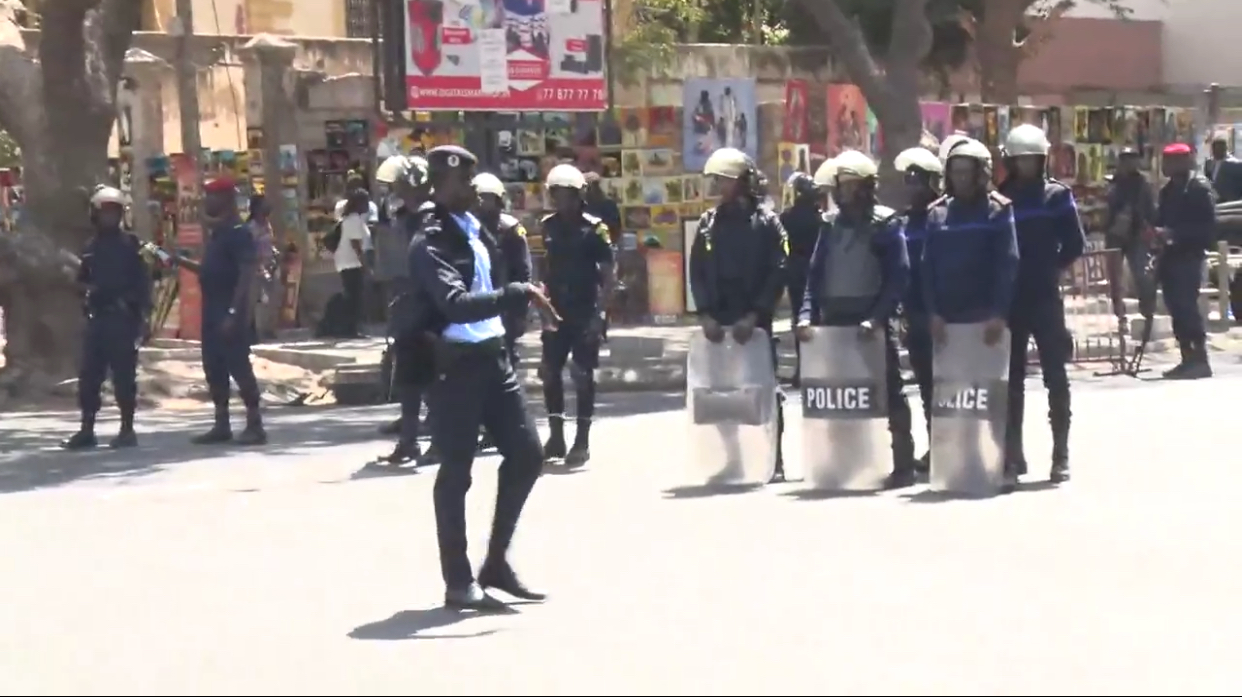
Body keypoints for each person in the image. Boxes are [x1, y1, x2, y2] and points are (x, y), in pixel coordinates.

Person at [407, 145, 558, 611]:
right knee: (457, 472)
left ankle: (496, 563)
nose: (473, 189)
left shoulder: (477, 231)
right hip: (453, 365)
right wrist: (517, 295)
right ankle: (458, 580)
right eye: (463, 182)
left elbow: (489, 288)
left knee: (528, 455)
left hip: (493, 358)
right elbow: (454, 303)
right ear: (440, 185)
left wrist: (515, 307)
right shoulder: (429, 243)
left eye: (473, 180)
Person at [794, 150, 917, 489]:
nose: (844, 193)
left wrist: (878, 318)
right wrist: (806, 315)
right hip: (834, 323)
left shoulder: (886, 223)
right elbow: (815, 276)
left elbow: (899, 277)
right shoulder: (830, 225)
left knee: (889, 392)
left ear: (866, 187)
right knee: (840, 397)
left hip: (871, 325)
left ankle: (903, 464)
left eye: (851, 186)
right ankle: (842, 463)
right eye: (841, 186)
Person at [920, 138, 1020, 487]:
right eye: (955, 171)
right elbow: (926, 268)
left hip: (984, 319)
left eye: (967, 172)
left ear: (981, 174)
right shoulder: (937, 213)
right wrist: (932, 312)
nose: (961, 178)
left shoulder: (998, 210)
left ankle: (1003, 463)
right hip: (948, 321)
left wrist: (998, 313)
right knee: (955, 394)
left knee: (990, 395)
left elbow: (1007, 264)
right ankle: (958, 463)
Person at [688, 147, 789, 482]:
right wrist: (704, 313)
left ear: (744, 182)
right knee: (720, 395)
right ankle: (734, 458)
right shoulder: (708, 223)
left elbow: (779, 270)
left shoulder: (768, 223)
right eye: (718, 179)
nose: (720, 185)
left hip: (754, 322)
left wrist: (757, 313)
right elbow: (697, 271)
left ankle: (773, 460)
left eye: (727, 179)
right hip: (718, 320)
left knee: (763, 391)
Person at [999, 124, 1086, 485]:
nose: (1026, 166)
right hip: (1010, 299)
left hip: (1045, 297)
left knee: (1056, 377)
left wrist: (1052, 267)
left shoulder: (1056, 196)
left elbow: (1075, 243)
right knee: (1011, 382)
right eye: (1019, 160)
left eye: (1032, 160)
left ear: (1042, 159)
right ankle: (1013, 456)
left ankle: (1060, 455)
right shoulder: (1000, 198)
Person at [539, 164, 615, 468]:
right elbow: (545, 268)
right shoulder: (548, 226)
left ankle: (581, 440)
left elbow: (609, 276)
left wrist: (600, 315)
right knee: (549, 372)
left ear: (579, 195)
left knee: (582, 375)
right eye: (556, 194)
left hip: (585, 310)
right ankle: (556, 435)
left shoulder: (595, 228)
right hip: (555, 310)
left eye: (567, 195)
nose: (561, 201)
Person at [62, 186, 150, 450]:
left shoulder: (132, 245)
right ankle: (87, 429)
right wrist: (82, 288)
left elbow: (144, 283)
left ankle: (127, 429)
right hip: (97, 319)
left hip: (122, 320)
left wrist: (144, 318)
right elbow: (81, 281)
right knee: (89, 376)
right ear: (95, 215)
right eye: (105, 212)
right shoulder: (89, 247)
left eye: (114, 212)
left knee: (124, 377)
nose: (109, 217)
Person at [192, 176, 266, 446]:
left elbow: (246, 276)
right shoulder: (219, 234)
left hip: (230, 311)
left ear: (226, 200)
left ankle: (255, 424)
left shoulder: (239, 233)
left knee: (239, 367)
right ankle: (221, 424)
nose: (207, 201)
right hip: (211, 311)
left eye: (212, 196)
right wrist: (176, 261)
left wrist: (234, 313)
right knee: (214, 368)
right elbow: (213, 271)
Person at [374, 154, 438, 465]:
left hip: (430, 309)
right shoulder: (404, 218)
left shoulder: (432, 218)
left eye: (401, 184)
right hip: (407, 306)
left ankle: (439, 440)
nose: (396, 190)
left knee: (434, 380)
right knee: (409, 379)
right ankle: (409, 441)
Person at [893, 145, 944, 473]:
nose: (911, 188)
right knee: (926, 387)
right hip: (914, 315)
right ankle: (935, 447)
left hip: (944, 315)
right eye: (908, 181)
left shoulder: (943, 216)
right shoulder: (902, 223)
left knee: (950, 387)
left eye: (917, 182)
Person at [1155, 142, 1217, 380]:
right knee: (1175, 308)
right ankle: (1186, 358)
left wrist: (1175, 234)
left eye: (1169, 161)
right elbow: (1161, 218)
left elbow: (1208, 229)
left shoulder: (1198, 188)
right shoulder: (1168, 191)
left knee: (1187, 307)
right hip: (1170, 257)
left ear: (1183, 162)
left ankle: (1200, 359)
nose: (1164, 166)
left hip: (1189, 256)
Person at [474, 172, 532, 368]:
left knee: (504, 359)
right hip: (473, 302)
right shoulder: (466, 227)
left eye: (489, 198)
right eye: (480, 198)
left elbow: (523, 271)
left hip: (504, 300)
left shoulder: (511, 229)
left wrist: (521, 312)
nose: (483, 204)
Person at [1104, 147, 1157, 319]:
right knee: (1115, 279)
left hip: (1136, 234)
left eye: (1133, 159)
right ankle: (1120, 313)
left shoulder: (1143, 183)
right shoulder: (1113, 183)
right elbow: (1106, 208)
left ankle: (1147, 309)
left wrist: (1149, 228)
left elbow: (1150, 209)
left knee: (1141, 273)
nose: (1130, 163)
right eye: (1126, 159)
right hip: (1114, 235)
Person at [780, 171, 822, 387]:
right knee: (818, 320)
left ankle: (802, 370)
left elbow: (783, 246)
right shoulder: (820, 218)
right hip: (817, 272)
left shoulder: (787, 217)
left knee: (799, 319)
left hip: (796, 273)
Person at [334, 188, 372, 337]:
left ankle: (352, 328)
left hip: (347, 261)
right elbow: (356, 244)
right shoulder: (353, 219)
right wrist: (365, 265)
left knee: (353, 296)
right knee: (354, 297)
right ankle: (351, 329)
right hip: (351, 262)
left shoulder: (352, 218)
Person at [1204, 137, 1242, 203]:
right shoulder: (1209, 163)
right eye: (1215, 150)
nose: (1217, 152)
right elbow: (1208, 179)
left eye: (1220, 149)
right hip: (1214, 201)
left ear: (1225, 149)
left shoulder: (1236, 164)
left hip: (1231, 203)